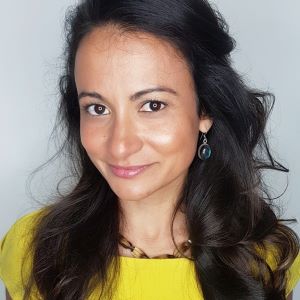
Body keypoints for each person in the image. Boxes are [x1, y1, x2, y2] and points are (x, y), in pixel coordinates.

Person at [0, 0, 299, 299]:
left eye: (152, 105)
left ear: (204, 110)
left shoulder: (267, 256)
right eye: (97, 108)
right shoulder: (34, 249)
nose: (120, 144)